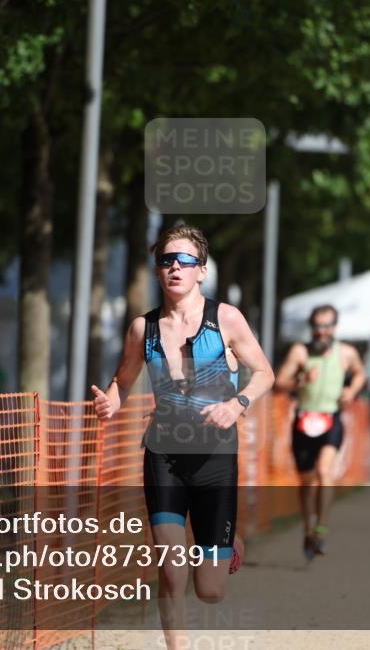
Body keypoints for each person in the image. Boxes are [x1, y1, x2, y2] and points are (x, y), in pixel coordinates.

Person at [91, 225, 274, 648]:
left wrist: (237, 404)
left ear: (202, 271)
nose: (175, 267)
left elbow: (265, 373)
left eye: (185, 261)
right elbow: (123, 379)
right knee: (172, 569)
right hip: (163, 454)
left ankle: (229, 538)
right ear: (157, 272)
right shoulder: (143, 328)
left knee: (210, 590)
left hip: (215, 457)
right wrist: (111, 403)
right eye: (166, 261)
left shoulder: (226, 319)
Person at [274, 305, 365, 559]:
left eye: (326, 326)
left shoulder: (346, 353)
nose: (321, 332)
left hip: (331, 419)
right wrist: (300, 381)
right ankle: (307, 529)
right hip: (304, 420)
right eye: (317, 326)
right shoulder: (300, 352)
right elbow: (279, 384)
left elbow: (360, 373)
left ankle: (321, 529)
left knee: (325, 471)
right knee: (306, 481)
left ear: (335, 328)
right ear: (311, 328)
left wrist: (351, 391)